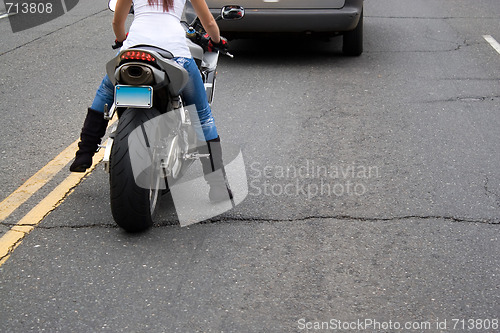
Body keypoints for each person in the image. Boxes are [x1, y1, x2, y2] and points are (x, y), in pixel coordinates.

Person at [70, 0, 232, 202]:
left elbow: (117, 23)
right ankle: (217, 186)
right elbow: (208, 22)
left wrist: (122, 40)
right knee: (202, 116)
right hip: (176, 55)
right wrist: (217, 40)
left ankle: (84, 154)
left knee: (105, 93)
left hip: (134, 51)